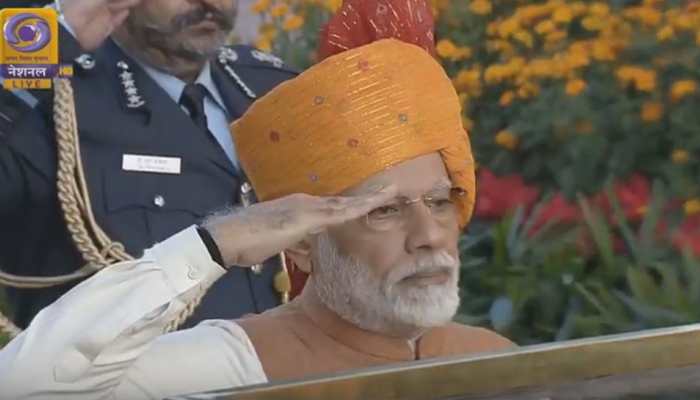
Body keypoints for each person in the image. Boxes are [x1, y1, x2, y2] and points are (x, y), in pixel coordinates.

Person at [0, 1, 516, 398]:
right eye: (384, 210)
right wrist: (50, 33)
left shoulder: (270, 84)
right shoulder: (53, 93)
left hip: (324, 359)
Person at [0, 0, 296, 329]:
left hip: (281, 371)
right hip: (129, 376)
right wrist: (49, 37)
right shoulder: (49, 99)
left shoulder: (270, 83)